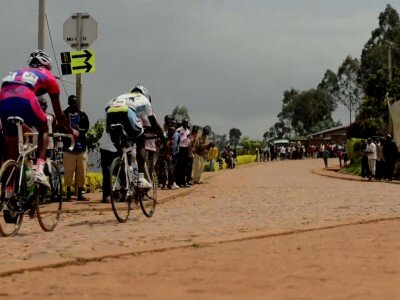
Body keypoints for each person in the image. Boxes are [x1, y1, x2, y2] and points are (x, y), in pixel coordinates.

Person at [0, 50, 78, 187]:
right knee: (43, 128)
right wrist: (71, 131)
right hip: (25, 98)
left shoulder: (17, 72)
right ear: (48, 66)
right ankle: (39, 170)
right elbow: (59, 115)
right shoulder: (49, 76)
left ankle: (8, 194)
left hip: (4, 100)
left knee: (11, 155)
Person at [106, 83, 164, 189]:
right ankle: (141, 178)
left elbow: (108, 106)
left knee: (122, 150)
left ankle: (121, 181)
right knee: (140, 139)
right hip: (126, 113)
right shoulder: (144, 100)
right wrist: (163, 137)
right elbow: (154, 124)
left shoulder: (123, 96)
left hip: (110, 113)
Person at [62, 95, 90, 201]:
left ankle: (79, 194)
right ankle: (68, 195)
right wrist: (70, 130)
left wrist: (79, 130)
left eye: (75, 102)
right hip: (69, 149)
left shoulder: (82, 114)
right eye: (72, 102)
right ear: (69, 103)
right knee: (69, 173)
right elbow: (60, 128)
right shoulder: (64, 114)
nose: (74, 104)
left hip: (81, 148)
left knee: (81, 172)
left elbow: (86, 128)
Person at [99, 125, 118, 203]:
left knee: (116, 170)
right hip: (108, 146)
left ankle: (116, 193)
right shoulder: (110, 114)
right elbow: (108, 129)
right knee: (107, 171)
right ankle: (107, 195)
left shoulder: (109, 113)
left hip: (112, 145)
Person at [175, 118, 191, 188]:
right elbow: (178, 140)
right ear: (182, 123)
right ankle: (178, 182)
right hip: (180, 148)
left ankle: (183, 182)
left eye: (187, 123)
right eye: (184, 123)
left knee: (185, 166)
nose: (186, 124)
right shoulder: (179, 130)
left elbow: (188, 140)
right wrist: (186, 137)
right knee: (179, 166)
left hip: (186, 149)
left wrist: (190, 140)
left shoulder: (188, 130)